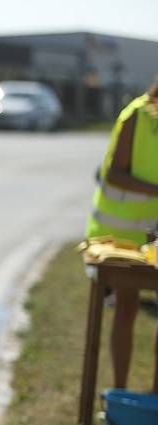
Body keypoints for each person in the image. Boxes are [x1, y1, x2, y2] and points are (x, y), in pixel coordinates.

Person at [85, 79, 158, 394]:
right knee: (126, 307)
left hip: (154, 233)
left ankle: (154, 399)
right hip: (121, 235)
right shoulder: (136, 116)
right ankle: (120, 394)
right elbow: (113, 173)